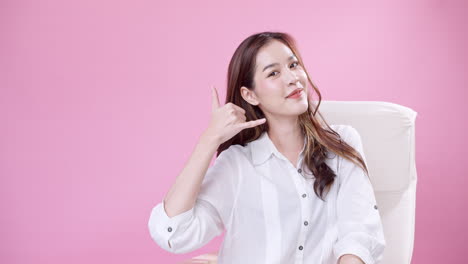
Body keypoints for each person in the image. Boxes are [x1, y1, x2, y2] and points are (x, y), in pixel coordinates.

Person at [148, 31, 386, 264]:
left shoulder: (342, 142)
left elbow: (359, 233)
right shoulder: (237, 163)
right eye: (274, 73)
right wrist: (208, 141)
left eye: (294, 65)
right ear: (250, 95)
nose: (292, 78)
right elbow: (174, 234)